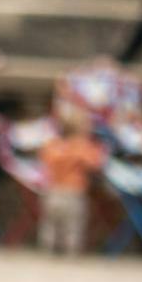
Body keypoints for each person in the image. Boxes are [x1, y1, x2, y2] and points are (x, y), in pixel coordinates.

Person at [36, 101, 106, 257]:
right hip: (73, 194)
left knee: (49, 225)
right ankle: (70, 254)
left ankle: (47, 251)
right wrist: (99, 149)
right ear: (81, 129)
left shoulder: (52, 145)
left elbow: (44, 158)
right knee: (73, 226)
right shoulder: (82, 146)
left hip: (52, 193)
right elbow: (96, 163)